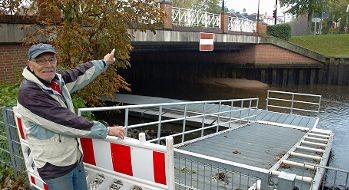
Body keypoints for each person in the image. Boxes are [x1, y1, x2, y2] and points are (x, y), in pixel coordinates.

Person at [17, 43, 125, 190]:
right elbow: (64, 121)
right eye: (41, 61)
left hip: (73, 158)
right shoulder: (30, 94)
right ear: (30, 64)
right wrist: (105, 130)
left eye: (51, 59)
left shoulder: (56, 81)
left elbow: (79, 74)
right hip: (54, 166)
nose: (48, 65)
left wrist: (104, 62)